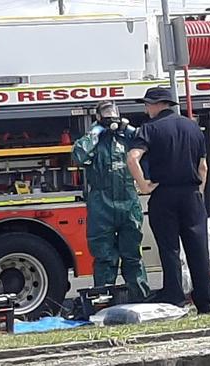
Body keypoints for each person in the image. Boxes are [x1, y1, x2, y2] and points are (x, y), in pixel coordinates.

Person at [127, 87, 210, 314]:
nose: (146, 109)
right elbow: (203, 167)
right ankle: (205, 302)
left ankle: (175, 297)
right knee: (198, 249)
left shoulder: (149, 129)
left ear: (157, 105)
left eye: (147, 104)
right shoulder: (193, 127)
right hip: (192, 195)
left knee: (170, 248)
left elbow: (132, 158)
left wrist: (144, 185)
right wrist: (198, 192)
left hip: (164, 194)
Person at [72, 100, 151, 302]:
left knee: (132, 255)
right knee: (105, 258)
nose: (110, 115)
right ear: (98, 116)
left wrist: (130, 129)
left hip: (128, 203)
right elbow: (79, 156)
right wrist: (95, 131)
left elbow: (148, 142)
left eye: (113, 111)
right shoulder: (96, 141)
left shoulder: (127, 139)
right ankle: (104, 302)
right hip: (102, 205)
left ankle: (140, 300)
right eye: (105, 112)